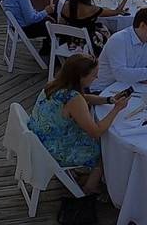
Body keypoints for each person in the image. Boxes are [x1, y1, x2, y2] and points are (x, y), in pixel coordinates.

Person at [27, 54, 129, 194]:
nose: (96, 78)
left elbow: (84, 98)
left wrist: (109, 100)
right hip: (54, 151)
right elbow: (96, 131)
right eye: (94, 75)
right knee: (105, 148)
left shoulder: (54, 85)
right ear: (81, 76)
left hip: (38, 142)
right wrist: (117, 109)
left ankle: (80, 175)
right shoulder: (73, 99)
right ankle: (89, 188)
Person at [91, 7, 147, 91]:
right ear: (142, 25)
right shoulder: (118, 40)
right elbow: (120, 74)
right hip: (104, 90)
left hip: (131, 88)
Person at [59, 0, 126, 55]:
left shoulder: (66, 5)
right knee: (109, 32)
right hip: (87, 43)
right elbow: (116, 12)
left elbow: (61, 23)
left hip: (69, 41)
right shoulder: (92, 9)